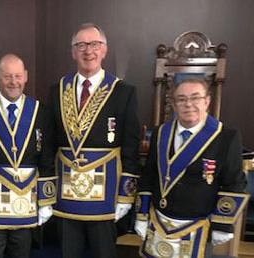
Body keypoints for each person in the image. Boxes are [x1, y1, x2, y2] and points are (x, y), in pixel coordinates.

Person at [44, 23, 140, 258]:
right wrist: (46, 193)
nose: (89, 51)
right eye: (82, 45)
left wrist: (126, 195)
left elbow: (131, 145)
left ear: (104, 50)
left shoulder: (123, 91)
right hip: (67, 195)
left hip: (105, 196)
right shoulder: (57, 90)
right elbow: (49, 144)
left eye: (94, 44)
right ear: (73, 52)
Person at [135, 78, 248, 258]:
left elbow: (233, 183)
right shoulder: (160, 133)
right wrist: (141, 214)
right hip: (158, 222)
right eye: (181, 99)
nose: (188, 104)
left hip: (198, 226)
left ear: (207, 101)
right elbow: (148, 177)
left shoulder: (226, 137)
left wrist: (223, 224)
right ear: (173, 104)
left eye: (195, 98)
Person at [0, 54, 56, 258]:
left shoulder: (40, 111)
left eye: (18, 76)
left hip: (26, 203)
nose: (13, 82)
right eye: (7, 76)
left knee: (21, 254)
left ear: (26, 77)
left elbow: (46, 157)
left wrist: (46, 201)